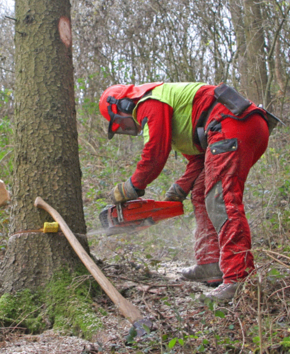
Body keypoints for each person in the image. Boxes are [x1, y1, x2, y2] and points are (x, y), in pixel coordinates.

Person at [99, 82, 277, 301]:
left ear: (124, 104)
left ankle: (238, 278)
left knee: (221, 200)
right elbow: (199, 160)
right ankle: (211, 264)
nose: (130, 128)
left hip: (232, 124)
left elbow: (155, 152)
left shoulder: (149, 103)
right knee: (202, 192)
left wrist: (132, 187)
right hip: (235, 126)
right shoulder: (177, 116)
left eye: (123, 124)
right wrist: (179, 189)